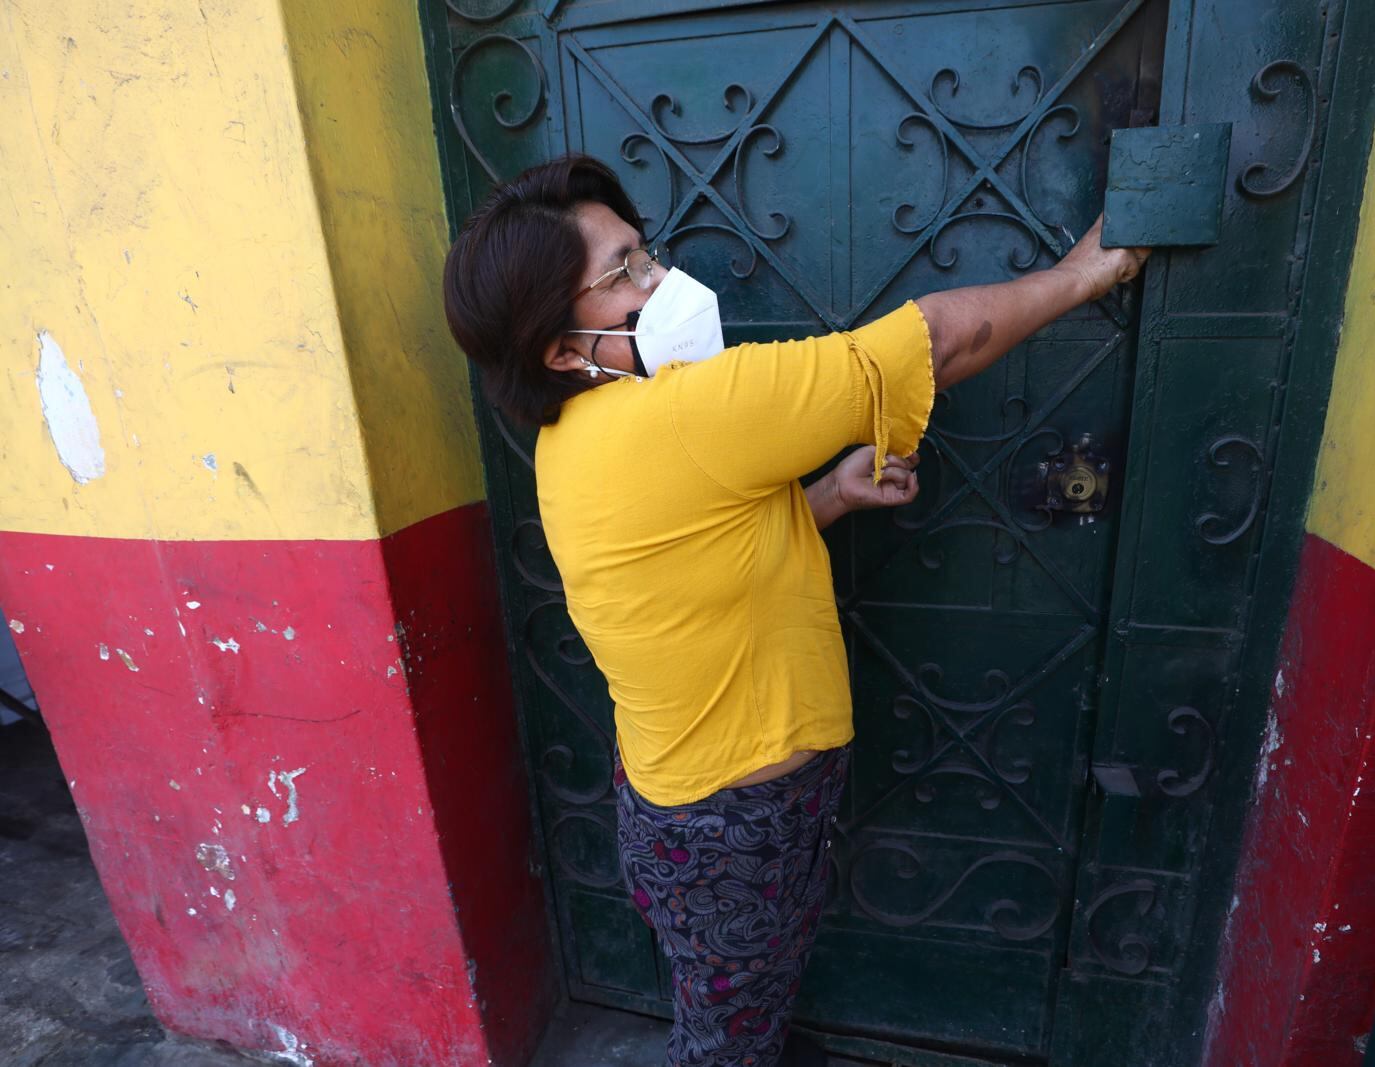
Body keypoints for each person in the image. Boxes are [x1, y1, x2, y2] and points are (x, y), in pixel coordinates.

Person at [442, 155, 1149, 1067]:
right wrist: (1084, 273)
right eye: (623, 273)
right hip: (734, 824)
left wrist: (831, 495)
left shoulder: (574, 437)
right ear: (557, 347)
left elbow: (701, 559)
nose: (658, 279)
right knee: (724, 1047)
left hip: (676, 806)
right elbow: (932, 344)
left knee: (732, 1008)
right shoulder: (683, 413)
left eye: (644, 253)